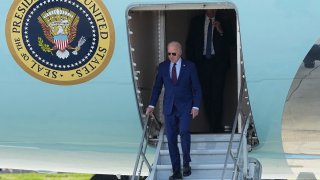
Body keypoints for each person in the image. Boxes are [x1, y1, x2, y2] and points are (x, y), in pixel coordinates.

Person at [146, 41, 202, 179]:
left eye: (174, 53)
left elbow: (196, 88)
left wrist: (196, 106)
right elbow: (157, 87)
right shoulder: (163, 67)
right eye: (169, 53)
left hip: (185, 107)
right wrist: (152, 105)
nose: (171, 56)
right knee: (171, 139)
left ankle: (186, 162)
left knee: (183, 132)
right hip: (169, 107)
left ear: (180, 52)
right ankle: (176, 170)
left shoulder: (189, 66)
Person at [186, 9, 230, 133]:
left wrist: (220, 30)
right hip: (202, 63)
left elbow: (231, 41)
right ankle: (212, 125)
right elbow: (190, 44)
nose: (212, 11)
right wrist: (192, 65)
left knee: (217, 95)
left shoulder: (224, 20)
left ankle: (217, 127)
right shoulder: (196, 21)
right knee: (205, 95)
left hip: (218, 64)